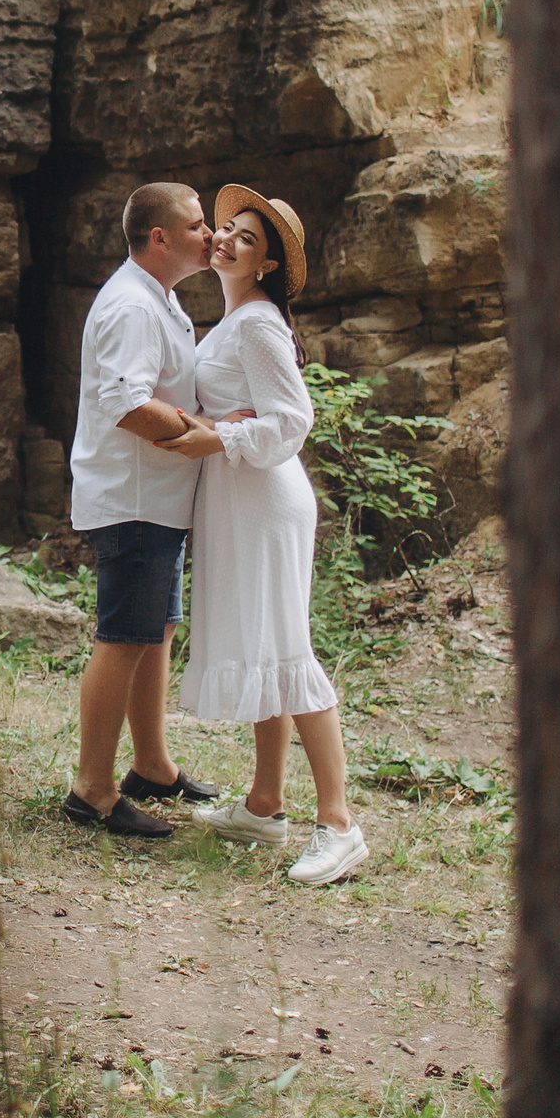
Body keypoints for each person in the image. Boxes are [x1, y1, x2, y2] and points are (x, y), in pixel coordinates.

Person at [158, 184, 368, 886]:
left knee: (287, 649)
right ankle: (265, 803)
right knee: (263, 649)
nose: (225, 240)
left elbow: (292, 419)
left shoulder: (258, 325)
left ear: (268, 264)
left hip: (268, 502)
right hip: (237, 498)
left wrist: (220, 432)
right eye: (225, 229)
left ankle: (339, 823)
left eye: (246, 237)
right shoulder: (232, 322)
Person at [62, 181, 226, 837]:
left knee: (154, 628)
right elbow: (125, 404)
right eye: (196, 225)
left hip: (158, 497)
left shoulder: (162, 298)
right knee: (123, 634)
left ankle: (152, 765)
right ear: (159, 237)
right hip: (131, 499)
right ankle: (91, 789)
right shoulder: (131, 306)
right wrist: (204, 431)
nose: (210, 234)